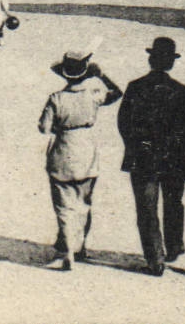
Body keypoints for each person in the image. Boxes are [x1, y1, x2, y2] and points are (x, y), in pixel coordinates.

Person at [117, 36, 185, 275]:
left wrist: (134, 146)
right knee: (173, 204)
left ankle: (155, 259)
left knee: (146, 208)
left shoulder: (135, 87)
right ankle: (173, 247)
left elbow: (123, 122)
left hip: (144, 157)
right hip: (173, 158)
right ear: (171, 63)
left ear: (151, 60)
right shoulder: (180, 90)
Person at [39, 44, 123, 270]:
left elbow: (44, 128)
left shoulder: (56, 98)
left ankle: (67, 252)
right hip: (86, 150)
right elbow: (117, 93)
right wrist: (102, 76)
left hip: (63, 149)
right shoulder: (93, 95)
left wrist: (59, 125)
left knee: (64, 204)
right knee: (84, 202)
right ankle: (81, 246)